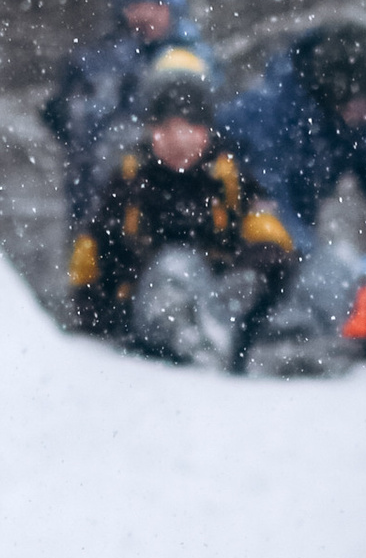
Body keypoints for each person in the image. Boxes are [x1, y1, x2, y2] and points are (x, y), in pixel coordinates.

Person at [66, 56, 297, 369]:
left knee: (292, 272)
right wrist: (96, 310)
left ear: (206, 130)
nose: (179, 140)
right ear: (150, 130)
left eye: (190, 128)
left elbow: (263, 225)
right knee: (176, 264)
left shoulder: (227, 174)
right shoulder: (132, 179)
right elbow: (93, 249)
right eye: (166, 129)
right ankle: (189, 339)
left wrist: (257, 261)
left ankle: (277, 338)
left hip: (216, 296)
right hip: (147, 304)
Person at [221, 20, 366, 346]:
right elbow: (273, 207)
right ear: (338, 89)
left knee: (337, 267)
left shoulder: (343, 124)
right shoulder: (269, 116)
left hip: (287, 249)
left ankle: (297, 332)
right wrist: (307, 258)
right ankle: (287, 338)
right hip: (245, 254)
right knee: (334, 264)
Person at [41, 0, 202, 233]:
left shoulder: (193, 63)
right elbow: (70, 125)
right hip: (96, 204)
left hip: (171, 206)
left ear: (173, 8)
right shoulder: (93, 62)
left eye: (155, 3)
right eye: (135, 3)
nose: (145, 14)